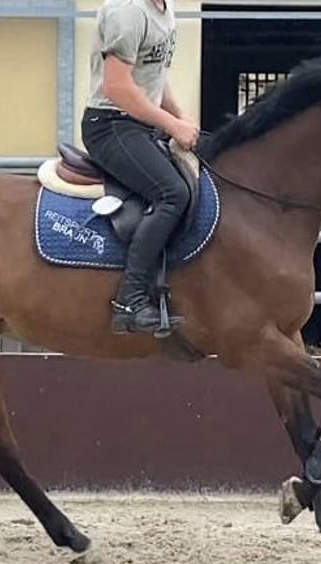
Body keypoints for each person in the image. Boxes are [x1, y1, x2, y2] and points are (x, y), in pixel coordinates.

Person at [81, 0, 200, 336]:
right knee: (171, 193)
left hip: (139, 124)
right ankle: (129, 300)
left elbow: (153, 78)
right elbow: (117, 87)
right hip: (110, 125)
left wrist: (179, 117)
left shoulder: (165, 9)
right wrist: (172, 126)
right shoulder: (128, 11)